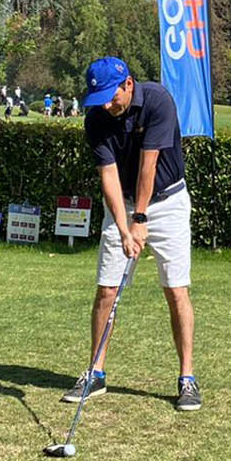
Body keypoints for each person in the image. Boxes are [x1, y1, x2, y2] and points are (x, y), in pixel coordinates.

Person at [62, 56, 199, 413]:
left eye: (111, 97)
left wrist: (140, 219)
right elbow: (108, 175)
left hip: (168, 202)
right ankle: (95, 373)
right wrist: (124, 228)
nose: (107, 106)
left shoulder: (157, 101)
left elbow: (148, 165)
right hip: (121, 204)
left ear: (128, 84)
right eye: (99, 100)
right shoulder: (96, 118)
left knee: (176, 289)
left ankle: (187, 378)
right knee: (107, 290)